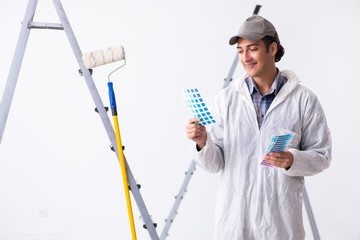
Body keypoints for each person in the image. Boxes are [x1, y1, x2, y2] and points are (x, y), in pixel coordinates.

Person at [186, 15, 332, 240]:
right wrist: (203, 143)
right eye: (240, 51)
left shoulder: (303, 100)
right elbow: (214, 164)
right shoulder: (226, 100)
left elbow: (322, 156)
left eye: (252, 49)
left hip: (280, 226)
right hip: (234, 224)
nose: (246, 57)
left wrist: (292, 160)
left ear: (272, 48)